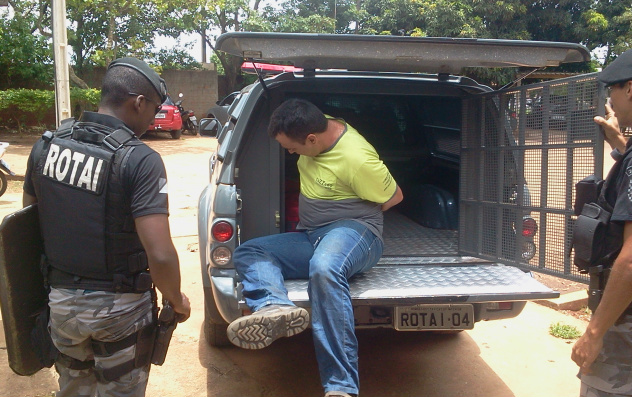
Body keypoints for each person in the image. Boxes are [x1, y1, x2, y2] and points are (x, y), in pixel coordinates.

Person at [22, 57, 191, 397]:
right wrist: (177, 299)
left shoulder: (46, 146)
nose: (153, 118)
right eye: (154, 109)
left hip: (61, 305)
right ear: (138, 103)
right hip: (121, 310)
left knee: (73, 389)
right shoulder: (140, 159)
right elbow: (159, 252)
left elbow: (28, 225)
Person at [226, 98, 403, 397]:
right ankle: (274, 306)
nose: (289, 152)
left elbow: (396, 195)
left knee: (325, 268)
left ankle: (340, 386)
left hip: (356, 231)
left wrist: (353, 216)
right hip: (311, 234)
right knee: (250, 251)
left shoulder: (357, 159)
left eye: (292, 148)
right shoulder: (317, 123)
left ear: (311, 138)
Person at [571, 45, 632, 396]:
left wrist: (594, 332)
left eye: (613, 89)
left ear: (631, 88)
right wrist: (622, 143)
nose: (611, 97)